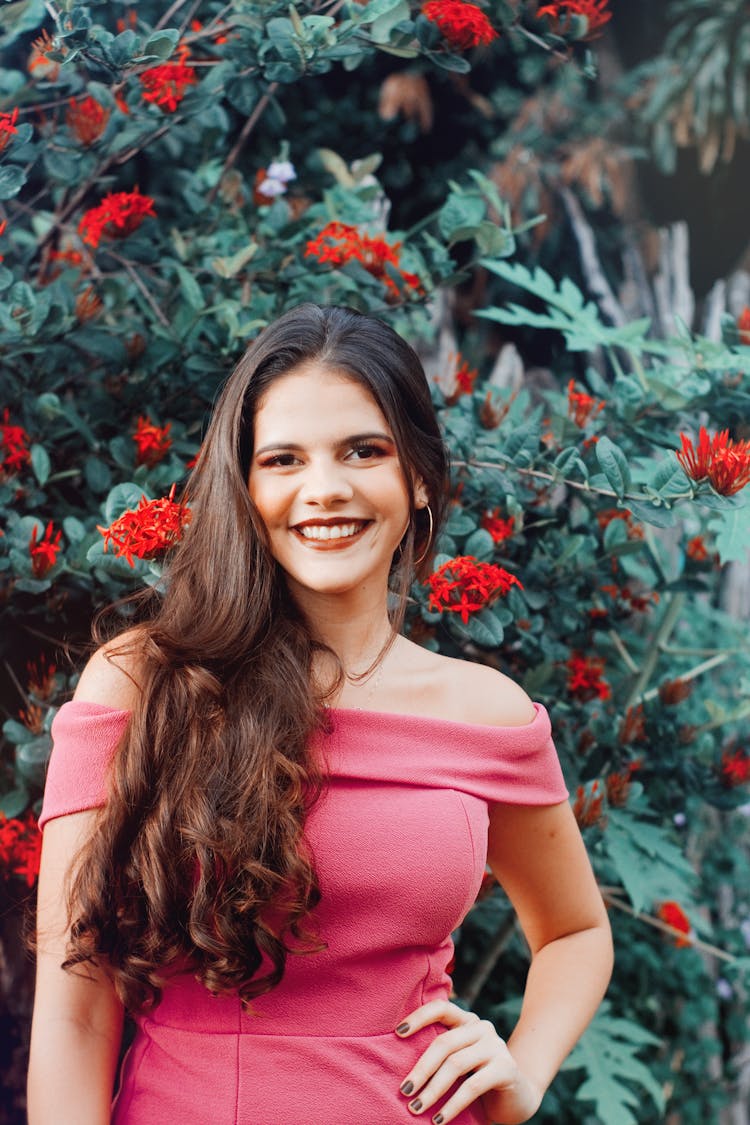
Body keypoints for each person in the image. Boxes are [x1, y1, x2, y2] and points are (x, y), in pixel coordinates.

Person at [28, 303, 613, 1125]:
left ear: (416, 475)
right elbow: (75, 1004)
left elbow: (576, 931)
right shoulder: (143, 685)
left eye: (363, 451)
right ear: (248, 485)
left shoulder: (486, 712)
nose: (324, 488)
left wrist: (524, 1066)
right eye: (283, 459)